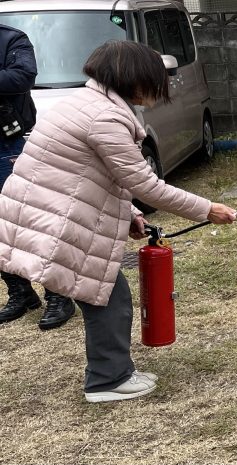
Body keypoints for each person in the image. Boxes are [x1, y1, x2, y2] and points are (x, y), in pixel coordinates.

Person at [0, 41, 237, 403]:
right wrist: (207, 209)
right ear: (133, 79)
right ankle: (107, 381)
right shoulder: (105, 118)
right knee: (106, 295)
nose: (160, 88)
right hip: (58, 220)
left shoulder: (86, 103)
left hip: (52, 214)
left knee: (105, 293)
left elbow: (99, 176)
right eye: (156, 80)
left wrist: (131, 214)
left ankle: (113, 372)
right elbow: (145, 184)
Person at [0, 24, 78, 330]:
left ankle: (58, 294)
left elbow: (22, 77)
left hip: (7, 143)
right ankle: (20, 292)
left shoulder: (11, 38)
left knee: (30, 220)